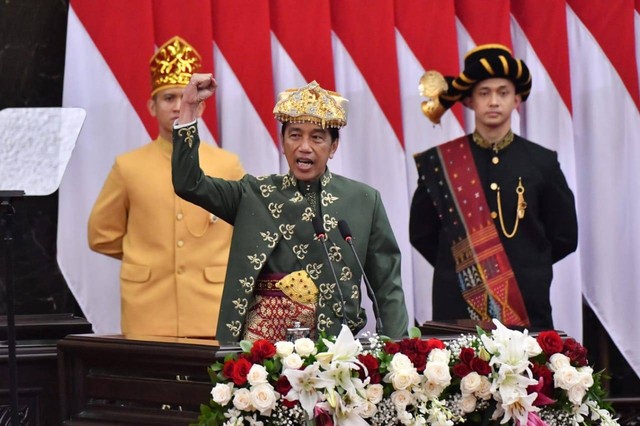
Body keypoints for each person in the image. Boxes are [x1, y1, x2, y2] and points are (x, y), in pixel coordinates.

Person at [172, 76, 409, 342]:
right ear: (283, 143)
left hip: (332, 353)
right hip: (259, 353)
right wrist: (189, 109)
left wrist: (397, 352)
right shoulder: (252, 194)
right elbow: (188, 183)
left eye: (317, 138)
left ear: (333, 147)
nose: (304, 146)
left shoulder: (364, 200)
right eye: (294, 135)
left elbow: (387, 287)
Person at [410, 44, 578, 330]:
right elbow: (422, 233)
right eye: (484, 93)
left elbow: (565, 236)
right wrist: (463, 266)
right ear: (470, 101)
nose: (494, 101)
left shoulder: (542, 162)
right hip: (457, 304)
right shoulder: (439, 163)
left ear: (517, 100)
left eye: (503, 92)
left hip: (526, 303)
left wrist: (529, 264)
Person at [88, 36, 245, 338]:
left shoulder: (227, 165)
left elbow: (247, 230)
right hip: (148, 309)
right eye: (168, 98)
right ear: (151, 106)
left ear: (199, 106)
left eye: (183, 98)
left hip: (211, 307)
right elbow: (101, 234)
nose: (176, 106)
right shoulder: (128, 166)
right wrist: (145, 255)